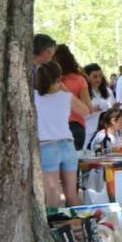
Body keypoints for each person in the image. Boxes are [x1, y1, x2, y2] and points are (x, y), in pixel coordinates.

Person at [34, 61, 88, 207]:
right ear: (59, 78)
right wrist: (65, 90)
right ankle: (78, 227)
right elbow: (85, 111)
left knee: (53, 194)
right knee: (72, 194)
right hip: (68, 145)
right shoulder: (66, 97)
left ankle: (53, 228)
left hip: (46, 146)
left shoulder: (33, 97)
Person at [54, 44, 92, 151]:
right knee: (73, 164)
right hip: (76, 126)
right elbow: (88, 108)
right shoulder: (80, 80)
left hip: (55, 128)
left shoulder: (52, 81)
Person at [82, 63, 115, 148]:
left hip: (105, 130)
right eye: (95, 76)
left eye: (100, 76)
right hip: (89, 129)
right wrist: (91, 109)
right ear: (87, 77)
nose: (98, 79)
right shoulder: (83, 92)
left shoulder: (107, 91)